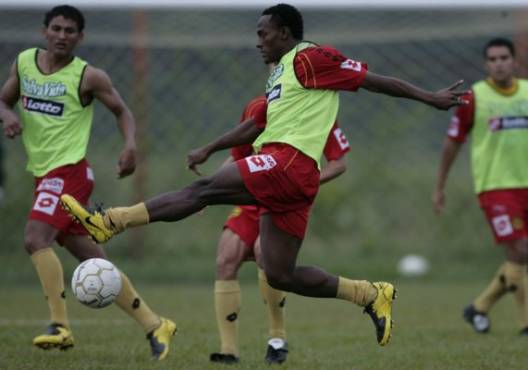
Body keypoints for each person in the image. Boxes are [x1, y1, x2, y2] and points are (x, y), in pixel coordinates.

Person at [61, 3, 466, 352]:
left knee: (202, 191)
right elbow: (258, 123)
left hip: (288, 163)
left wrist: (429, 97)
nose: (258, 41)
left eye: (264, 34)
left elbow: (374, 80)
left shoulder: (310, 57)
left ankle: (110, 221)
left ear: (284, 34)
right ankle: (369, 294)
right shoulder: (282, 73)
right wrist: (210, 147)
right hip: (291, 177)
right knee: (279, 273)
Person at [0, 5, 176, 360]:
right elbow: (3, 100)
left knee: (35, 239)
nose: (62, 35)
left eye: (70, 31)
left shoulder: (89, 76)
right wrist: (6, 116)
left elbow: (122, 111)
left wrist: (130, 145)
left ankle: (59, 326)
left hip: (70, 174)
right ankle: (156, 324)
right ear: (44, 31)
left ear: (80, 38)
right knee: (94, 261)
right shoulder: (24, 63)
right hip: (43, 174)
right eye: (57, 28)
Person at [198, 92, 350, 364]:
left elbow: (339, 163)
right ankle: (229, 351)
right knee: (225, 259)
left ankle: (277, 339)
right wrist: (204, 192)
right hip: (253, 196)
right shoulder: (257, 107)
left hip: (285, 199)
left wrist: (307, 181)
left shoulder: (319, 112)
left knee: (264, 255)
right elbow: (238, 157)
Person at [432, 37, 528, 335]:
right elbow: (452, 143)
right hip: (496, 188)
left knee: (518, 258)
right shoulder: (475, 97)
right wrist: (440, 186)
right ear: (487, 64)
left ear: (514, 61)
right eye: (493, 59)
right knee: (522, 250)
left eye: (504, 58)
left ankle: (479, 307)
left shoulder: (527, 92)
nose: (499, 63)